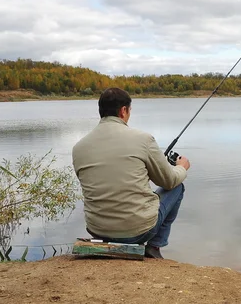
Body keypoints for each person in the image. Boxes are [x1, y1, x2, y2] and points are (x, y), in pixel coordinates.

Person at [72, 87, 190, 259]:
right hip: (138, 232)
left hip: (97, 230)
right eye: (129, 111)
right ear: (123, 110)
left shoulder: (78, 148)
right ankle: (155, 246)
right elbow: (169, 181)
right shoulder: (143, 139)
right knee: (177, 187)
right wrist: (181, 167)